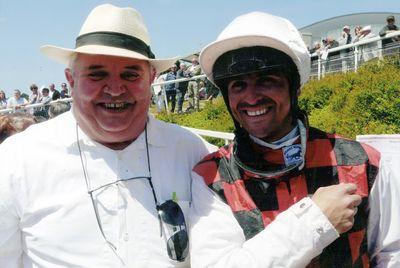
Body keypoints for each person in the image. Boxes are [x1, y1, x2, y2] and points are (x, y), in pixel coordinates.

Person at [0, 4, 214, 267]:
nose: (114, 89)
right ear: (71, 80)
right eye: (97, 74)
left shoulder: (195, 154)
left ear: (152, 78)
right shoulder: (15, 161)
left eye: (130, 74)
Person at [189, 11, 400, 267]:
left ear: (295, 87)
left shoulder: (364, 162)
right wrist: (317, 221)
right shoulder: (209, 178)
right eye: (238, 85)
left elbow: (391, 253)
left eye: (267, 80)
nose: (252, 98)